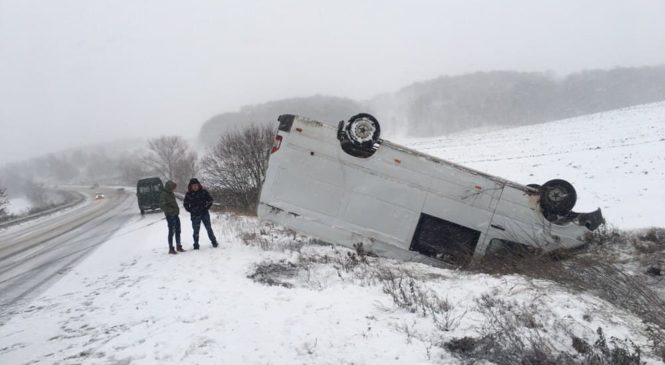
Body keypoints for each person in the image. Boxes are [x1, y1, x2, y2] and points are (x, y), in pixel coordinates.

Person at [183, 178, 218, 249]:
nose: (195, 187)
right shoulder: (188, 194)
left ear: (199, 185)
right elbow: (185, 204)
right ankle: (196, 244)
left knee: (208, 228)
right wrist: (191, 210)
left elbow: (210, 200)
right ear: (191, 186)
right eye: (193, 185)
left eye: (196, 185)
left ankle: (214, 241)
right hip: (195, 215)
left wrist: (206, 207)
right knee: (196, 230)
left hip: (204, 213)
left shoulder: (204, 192)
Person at [159, 180, 184, 254]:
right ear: (169, 187)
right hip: (170, 216)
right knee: (171, 231)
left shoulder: (171, 193)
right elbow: (162, 206)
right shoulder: (163, 194)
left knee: (178, 230)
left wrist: (175, 210)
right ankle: (171, 248)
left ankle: (178, 246)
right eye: (173, 187)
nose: (174, 189)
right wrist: (170, 211)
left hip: (175, 215)